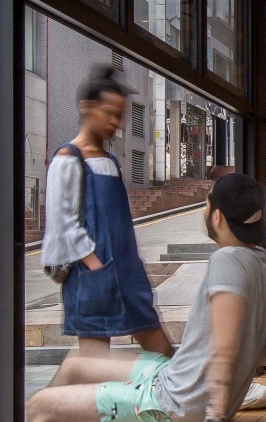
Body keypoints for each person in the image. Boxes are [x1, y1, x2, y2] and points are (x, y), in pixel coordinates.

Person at [26, 173, 266, 422]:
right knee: (75, 365)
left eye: (206, 203)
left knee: (38, 408)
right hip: (177, 378)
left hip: (176, 403)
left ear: (217, 217)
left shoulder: (226, 260)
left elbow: (224, 349)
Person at [41, 65, 173, 359]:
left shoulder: (111, 160)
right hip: (92, 277)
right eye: (109, 113)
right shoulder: (67, 158)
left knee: (162, 351)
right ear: (86, 107)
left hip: (126, 271)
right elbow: (61, 225)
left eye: (120, 115)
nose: (116, 122)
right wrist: (94, 264)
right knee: (94, 366)